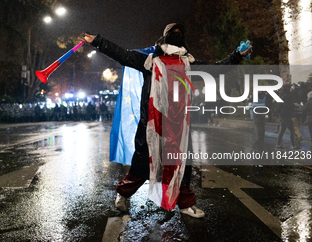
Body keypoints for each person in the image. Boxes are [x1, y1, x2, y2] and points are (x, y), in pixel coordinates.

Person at [78, 23, 252, 218]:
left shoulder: (188, 64)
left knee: (182, 164)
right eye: (173, 33)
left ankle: (186, 204)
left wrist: (237, 55)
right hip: (151, 123)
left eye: (180, 33)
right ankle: (123, 193)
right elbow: (122, 54)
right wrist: (98, 42)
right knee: (143, 163)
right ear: (165, 37)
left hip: (179, 125)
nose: (177, 36)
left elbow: (215, 69)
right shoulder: (150, 60)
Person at [275, 84, 300, 150]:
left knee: (282, 129)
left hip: (281, 114)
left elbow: (279, 105)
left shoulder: (281, 94)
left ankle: (278, 144)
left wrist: (279, 112)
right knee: (292, 130)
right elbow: (288, 105)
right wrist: (293, 106)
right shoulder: (288, 96)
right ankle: (294, 145)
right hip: (286, 114)